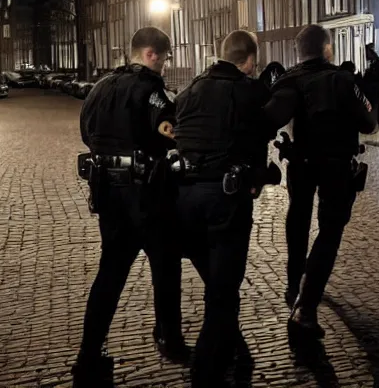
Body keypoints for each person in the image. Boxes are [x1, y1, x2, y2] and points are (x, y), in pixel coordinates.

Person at [73, 26, 188, 387]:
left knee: (110, 272)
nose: (165, 67)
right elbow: (171, 128)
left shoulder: (100, 88)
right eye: (165, 59)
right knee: (166, 264)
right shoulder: (150, 90)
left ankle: (89, 353)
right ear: (152, 54)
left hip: (107, 195)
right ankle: (169, 336)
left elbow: (86, 133)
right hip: (145, 195)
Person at [173, 30, 274, 386]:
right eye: (254, 61)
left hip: (184, 199)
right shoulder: (249, 91)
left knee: (215, 279)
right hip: (225, 198)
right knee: (223, 288)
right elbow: (264, 132)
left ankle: (232, 344)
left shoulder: (189, 91)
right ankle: (207, 368)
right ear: (247, 60)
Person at [265, 25, 378, 339]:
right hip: (335, 167)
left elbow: (268, 119)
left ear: (300, 51)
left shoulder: (288, 80)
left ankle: (293, 283)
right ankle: (307, 305)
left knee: (298, 216)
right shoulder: (342, 80)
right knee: (329, 230)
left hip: (300, 163)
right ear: (328, 48)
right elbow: (370, 123)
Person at [362, 44, 379, 127]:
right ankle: (378, 122)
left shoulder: (375, 62)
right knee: (378, 105)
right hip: (377, 86)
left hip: (374, 86)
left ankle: (376, 122)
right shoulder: (377, 60)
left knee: (374, 105)